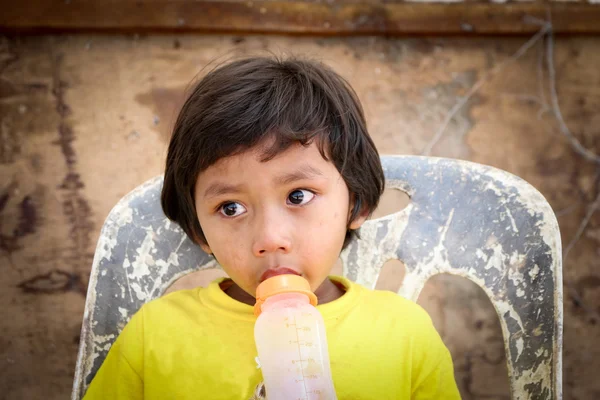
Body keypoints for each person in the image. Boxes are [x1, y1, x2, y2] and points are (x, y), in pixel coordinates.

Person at [83, 56, 461, 399]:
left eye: (298, 196)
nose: (269, 238)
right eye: (230, 207)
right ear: (198, 230)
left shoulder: (403, 334)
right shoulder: (156, 336)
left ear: (357, 203)